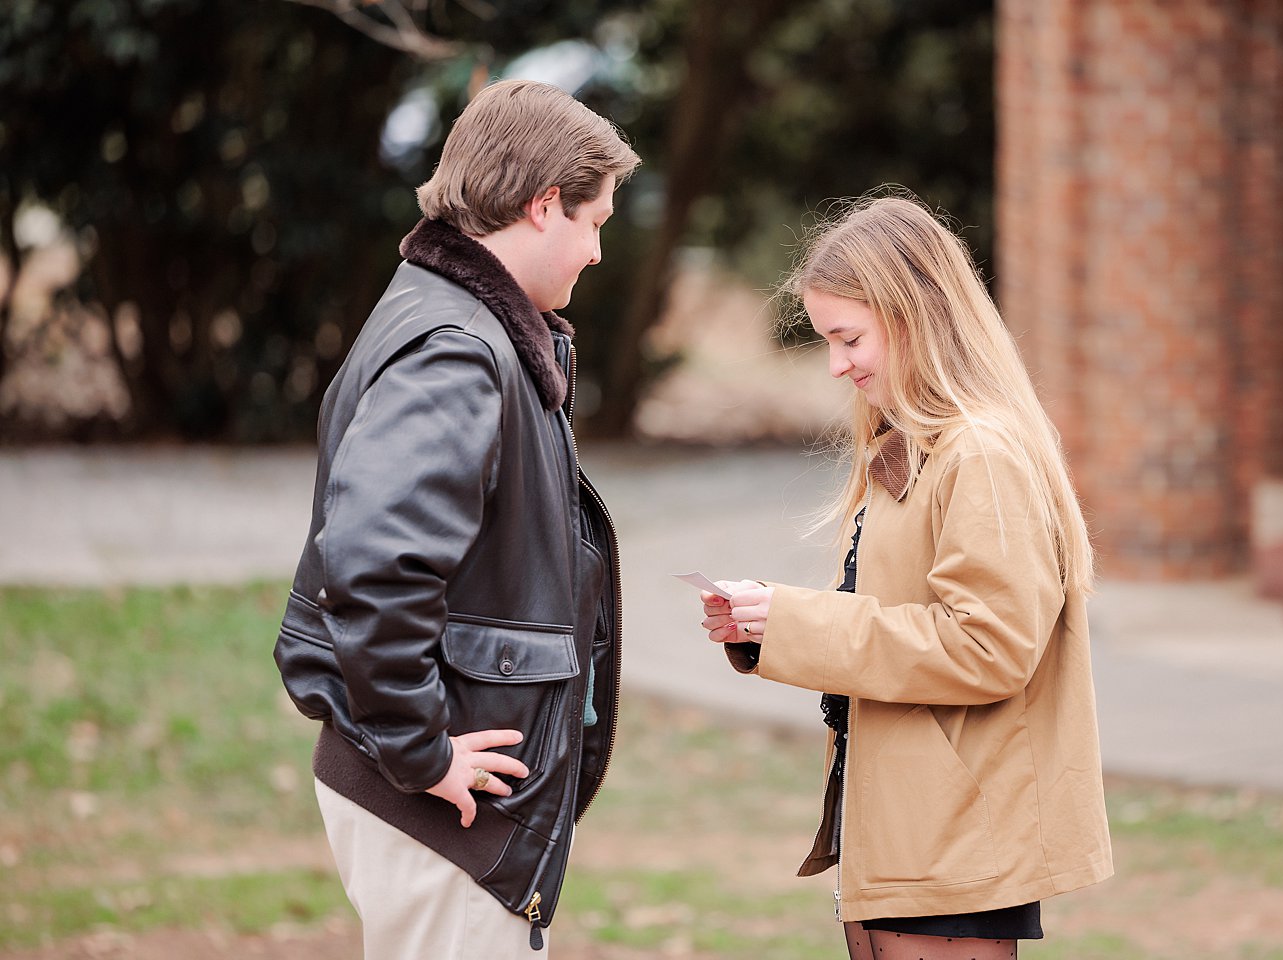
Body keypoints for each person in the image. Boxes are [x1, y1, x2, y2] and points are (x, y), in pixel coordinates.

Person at [273, 79, 639, 959]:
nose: (596, 252)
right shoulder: (456, 346)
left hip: (448, 815)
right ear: (544, 205)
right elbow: (373, 563)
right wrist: (422, 752)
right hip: (442, 818)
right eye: (594, 222)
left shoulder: (460, 320)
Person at [698, 195, 1113, 960]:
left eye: (849, 338)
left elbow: (988, 647)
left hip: (952, 841)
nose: (837, 364)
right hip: (909, 831)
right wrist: (768, 625)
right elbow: (905, 617)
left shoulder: (979, 454)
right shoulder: (912, 447)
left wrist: (790, 622)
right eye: (827, 341)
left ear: (914, 313)